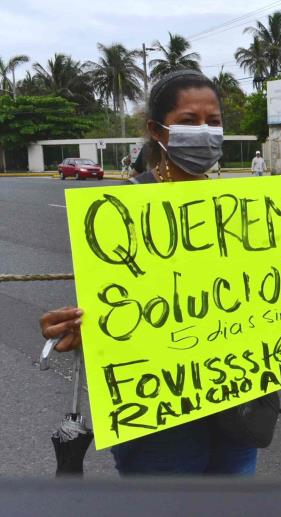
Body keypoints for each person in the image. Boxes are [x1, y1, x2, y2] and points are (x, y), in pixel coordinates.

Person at [39, 70, 259, 475]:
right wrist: (80, 324)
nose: (205, 131)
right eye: (189, 121)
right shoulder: (121, 210)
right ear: (157, 130)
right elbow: (114, 301)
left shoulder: (247, 207)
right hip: (161, 414)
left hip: (238, 401)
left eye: (213, 122)